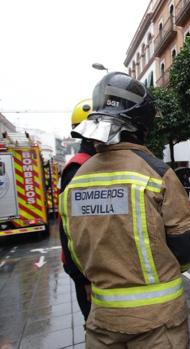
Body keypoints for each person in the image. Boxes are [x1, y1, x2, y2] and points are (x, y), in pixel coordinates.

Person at [60, 72, 190, 348]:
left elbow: (72, 252)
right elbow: (184, 248)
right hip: (158, 325)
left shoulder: (76, 180)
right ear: (142, 124)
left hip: (103, 323)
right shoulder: (157, 173)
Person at [59, 99, 96, 321]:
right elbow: (72, 229)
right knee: (94, 324)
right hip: (84, 269)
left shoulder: (89, 162)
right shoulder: (79, 168)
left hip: (91, 265)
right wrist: (83, 278)